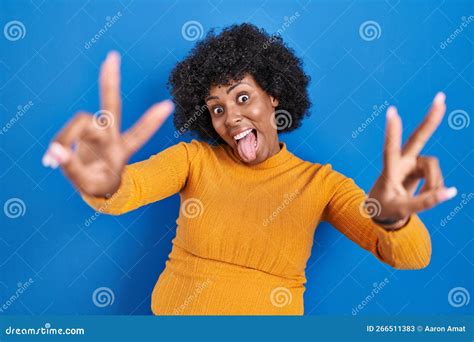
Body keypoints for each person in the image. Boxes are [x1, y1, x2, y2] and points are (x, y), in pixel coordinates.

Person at [42, 24, 457, 315]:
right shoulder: (194, 159)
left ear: (274, 96)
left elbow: (410, 258)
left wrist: (392, 217)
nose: (231, 117)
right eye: (217, 108)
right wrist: (106, 182)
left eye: (242, 98)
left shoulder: (321, 184)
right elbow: (127, 192)